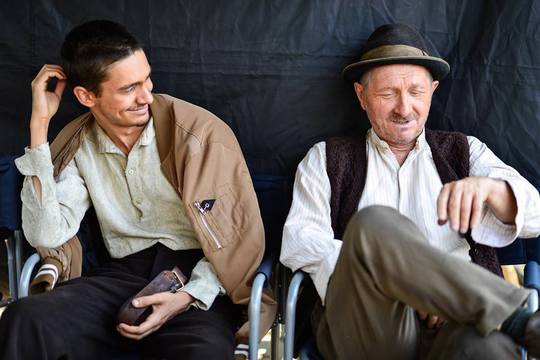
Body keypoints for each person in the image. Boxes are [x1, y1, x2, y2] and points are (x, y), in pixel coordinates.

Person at [0, 20, 274, 360]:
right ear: (86, 96)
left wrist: (186, 297)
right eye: (129, 88)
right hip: (119, 276)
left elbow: (238, 241)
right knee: (25, 318)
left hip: (197, 279)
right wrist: (39, 127)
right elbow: (47, 232)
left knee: (204, 352)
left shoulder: (199, 135)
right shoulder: (77, 143)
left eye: (146, 79)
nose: (146, 95)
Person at [280, 23, 540, 360]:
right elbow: (299, 243)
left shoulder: (465, 151)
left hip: (456, 324)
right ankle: (517, 319)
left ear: (432, 91)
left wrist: (492, 190)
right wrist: (413, 286)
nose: (404, 108)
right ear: (362, 96)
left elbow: (535, 217)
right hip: (369, 326)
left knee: (487, 348)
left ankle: (501, 318)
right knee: (373, 225)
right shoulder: (326, 158)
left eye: (415, 92)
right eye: (388, 94)